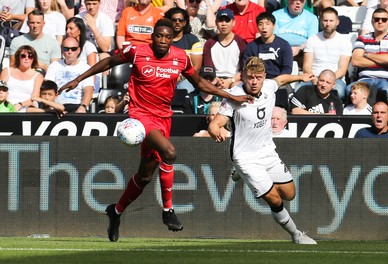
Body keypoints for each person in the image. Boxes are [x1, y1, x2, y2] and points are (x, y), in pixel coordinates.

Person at [59, 18, 254, 242]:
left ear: (173, 39)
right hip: (140, 116)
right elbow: (109, 63)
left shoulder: (181, 57)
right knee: (170, 153)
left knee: (144, 176)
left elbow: (199, 83)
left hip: (164, 118)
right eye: (158, 36)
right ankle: (168, 211)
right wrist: (78, 78)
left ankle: (116, 211)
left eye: (167, 37)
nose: (162, 40)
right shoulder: (137, 51)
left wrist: (231, 96)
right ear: (152, 37)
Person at [208, 56, 317, 244]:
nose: (254, 82)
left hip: (267, 151)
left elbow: (281, 80)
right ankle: (296, 234)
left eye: (258, 77)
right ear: (243, 76)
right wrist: (216, 132)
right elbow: (215, 123)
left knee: (289, 194)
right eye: (250, 77)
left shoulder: (268, 86)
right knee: (275, 200)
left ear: (264, 77)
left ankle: (239, 175)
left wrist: (301, 77)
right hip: (245, 158)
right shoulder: (234, 97)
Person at [297, 7, 352, 101]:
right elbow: (306, 66)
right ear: (321, 21)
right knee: (298, 89)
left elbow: (342, 70)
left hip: (335, 79)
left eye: (331, 20)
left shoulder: (345, 42)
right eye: (325, 20)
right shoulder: (312, 39)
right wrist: (316, 80)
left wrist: (327, 81)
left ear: (337, 22)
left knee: (339, 91)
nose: (328, 24)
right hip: (313, 77)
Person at [348, 8, 388, 103]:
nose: (380, 22)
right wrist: (382, 61)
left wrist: (367, 54)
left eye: (383, 20)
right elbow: (355, 61)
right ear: (372, 21)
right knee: (350, 91)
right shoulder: (362, 38)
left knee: (385, 92)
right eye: (376, 19)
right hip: (364, 79)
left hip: (386, 80)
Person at [242, 12, 293, 88]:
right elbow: (246, 68)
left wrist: (275, 82)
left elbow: (287, 69)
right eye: (260, 24)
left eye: (267, 24)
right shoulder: (251, 47)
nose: (264, 27)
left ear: (274, 26)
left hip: (278, 82)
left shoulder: (284, 45)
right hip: (256, 81)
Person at [45, 37, 94, 113]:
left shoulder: (85, 68)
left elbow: (89, 90)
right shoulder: (54, 66)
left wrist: (83, 106)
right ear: (62, 50)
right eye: (66, 49)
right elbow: (47, 88)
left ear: (78, 50)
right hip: (57, 106)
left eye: (73, 49)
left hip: (77, 106)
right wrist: (51, 105)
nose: (70, 51)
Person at [203, 8, 246, 89]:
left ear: (233, 22)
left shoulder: (241, 43)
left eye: (227, 21)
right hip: (215, 79)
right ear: (216, 23)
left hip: (235, 79)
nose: (224, 24)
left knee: (236, 87)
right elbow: (208, 69)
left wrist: (230, 80)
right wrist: (217, 80)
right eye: (220, 21)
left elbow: (244, 70)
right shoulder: (209, 43)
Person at [272, 0, 318, 64]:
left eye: (302, 1)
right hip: (279, 50)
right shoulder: (276, 14)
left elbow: (312, 40)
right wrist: (285, 49)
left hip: (302, 51)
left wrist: (299, 48)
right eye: (296, 0)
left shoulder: (312, 18)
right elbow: (273, 36)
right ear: (289, 1)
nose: (298, 3)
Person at [0, 45, 43, 112]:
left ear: (33, 59)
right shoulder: (7, 71)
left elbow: (34, 98)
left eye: (30, 56)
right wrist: (10, 105)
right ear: (18, 58)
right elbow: (1, 91)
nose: (26, 58)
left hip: (27, 106)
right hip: (6, 104)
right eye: (23, 56)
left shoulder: (38, 76)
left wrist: (20, 104)